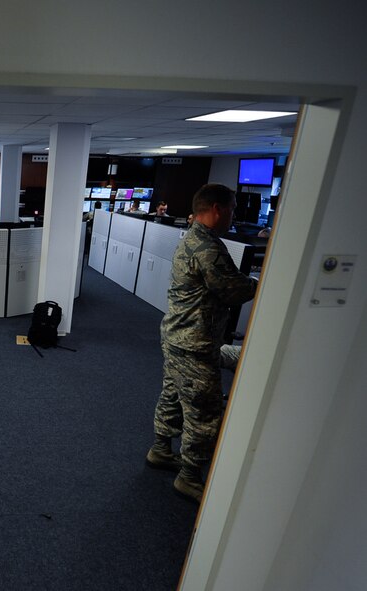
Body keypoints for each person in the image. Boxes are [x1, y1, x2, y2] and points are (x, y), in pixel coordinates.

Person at [146, 183, 258, 502]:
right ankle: (190, 476)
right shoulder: (207, 246)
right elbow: (233, 290)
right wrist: (263, 284)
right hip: (194, 342)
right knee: (204, 413)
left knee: (172, 392)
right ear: (218, 209)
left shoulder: (193, 237)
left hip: (178, 335)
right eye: (232, 209)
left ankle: (161, 450)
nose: (233, 215)